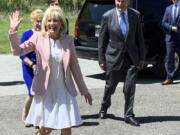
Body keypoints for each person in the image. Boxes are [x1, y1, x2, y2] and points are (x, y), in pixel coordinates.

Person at [9, 7, 92, 135]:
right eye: (49, 20)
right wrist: (13, 31)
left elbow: (75, 68)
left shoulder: (68, 40)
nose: (52, 24)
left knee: (66, 126)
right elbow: (17, 51)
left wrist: (84, 90)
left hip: (64, 89)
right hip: (45, 90)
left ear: (61, 23)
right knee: (46, 129)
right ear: (45, 23)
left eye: (55, 20)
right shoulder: (37, 37)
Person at [98, 0, 145, 127]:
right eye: (118, 0)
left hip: (131, 58)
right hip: (114, 57)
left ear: (128, 1)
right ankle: (104, 107)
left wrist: (142, 57)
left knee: (129, 87)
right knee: (110, 86)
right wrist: (101, 59)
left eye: (123, 1)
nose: (121, 3)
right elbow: (102, 40)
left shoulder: (135, 15)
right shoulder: (107, 16)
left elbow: (139, 38)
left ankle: (128, 115)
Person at [20, 9, 44, 128]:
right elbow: (21, 54)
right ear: (32, 22)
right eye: (37, 21)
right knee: (31, 93)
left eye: (41, 21)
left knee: (41, 93)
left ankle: (38, 118)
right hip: (29, 68)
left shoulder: (45, 34)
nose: (39, 23)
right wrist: (32, 64)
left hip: (42, 69)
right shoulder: (27, 34)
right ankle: (24, 115)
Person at [162, 0, 180, 85]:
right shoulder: (168, 8)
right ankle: (169, 78)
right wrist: (171, 27)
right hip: (170, 36)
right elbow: (163, 22)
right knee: (169, 57)